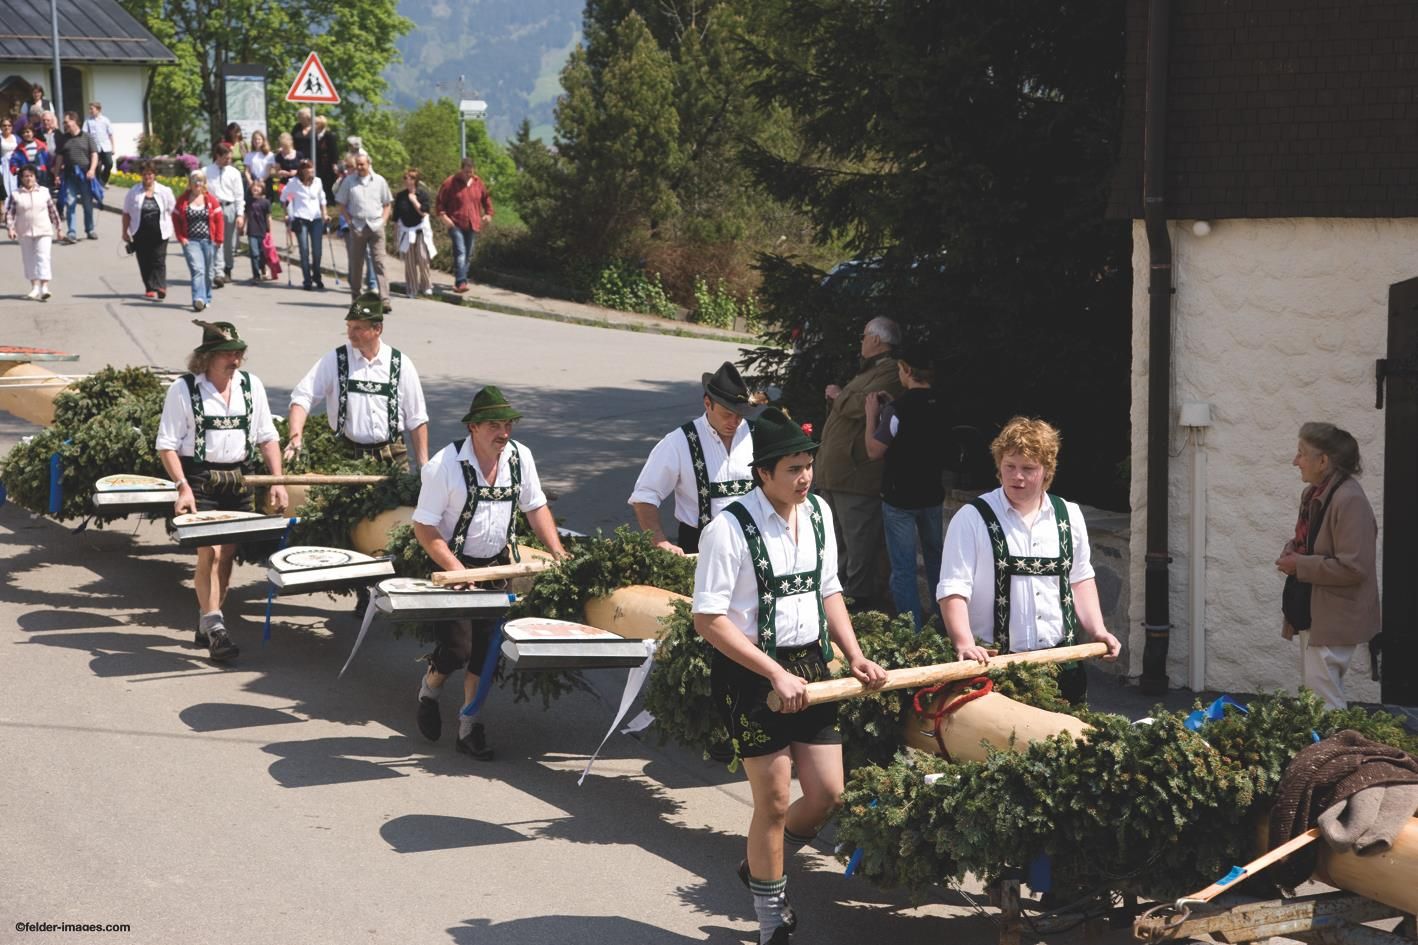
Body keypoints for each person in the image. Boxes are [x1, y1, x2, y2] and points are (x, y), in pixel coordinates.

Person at [693, 407, 887, 945]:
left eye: (808, 466)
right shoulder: (726, 530)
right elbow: (708, 620)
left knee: (826, 793)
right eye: (793, 469)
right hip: (751, 672)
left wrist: (854, 655)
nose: (804, 478)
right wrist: (774, 672)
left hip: (810, 666)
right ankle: (771, 915)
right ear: (763, 474)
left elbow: (830, 591)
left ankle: (761, 862)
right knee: (774, 801)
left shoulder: (819, 512)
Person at [411, 386, 568, 760]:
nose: (504, 433)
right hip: (452, 567)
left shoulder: (519, 457)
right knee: (457, 649)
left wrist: (557, 552)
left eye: (508, 424)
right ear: (474, 428)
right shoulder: (444, 466)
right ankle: (430, 689)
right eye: (495, 425)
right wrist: (456, 568)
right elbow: (424, 529)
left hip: (498, 566)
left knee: (486, 652)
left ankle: (469, 726)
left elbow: (536, 507)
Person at [935, 417, 1121, 704]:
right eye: (1010, 466)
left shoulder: (1069, 516)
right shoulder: (972, 518)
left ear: (1046, 471)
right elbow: (953, 589)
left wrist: (1098, 631)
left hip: (1063, 663)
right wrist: (964, 644)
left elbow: (1080, 579)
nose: (1016, 476)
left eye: (1028, 468)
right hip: (995, 667)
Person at [155, 320, 288, 663]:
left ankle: (206, 620)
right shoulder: (183, 390)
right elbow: (167, 446)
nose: (235, 360)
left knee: (227, 553)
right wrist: (182, 486)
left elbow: (267, 437)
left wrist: (278, 481)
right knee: (209, 551)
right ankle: (216, 628)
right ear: (207, 357)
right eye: (227, 354)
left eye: (238, 353)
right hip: (200, 479)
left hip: (239, 478)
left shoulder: (250, 386)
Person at [1276, 422, 1380, 710]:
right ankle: (1328, 753)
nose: (1295, 461)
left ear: (1323, 461)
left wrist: (1300, 565)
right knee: (1318, 698)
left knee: (1325, 704)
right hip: (1318, 611)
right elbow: (1315, 545)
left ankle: (1337, 755)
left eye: (1301, 453)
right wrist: (1293, 551)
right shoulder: (1317, 494)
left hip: (1333, 615)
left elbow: (1354, 567)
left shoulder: (1349, 500)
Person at [814, 316, 904, 611]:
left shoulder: (890, 370)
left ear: (877, 340)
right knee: (837, 547)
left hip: (857, 477)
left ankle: (860, 611)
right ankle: (837, 605)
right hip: (838, 475)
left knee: (858, 548)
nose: (861, 341)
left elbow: (863, 405)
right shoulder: (869, 371)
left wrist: (838, 395)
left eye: (865, 336)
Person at [285, 291, 431, 468]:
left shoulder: (400, 364)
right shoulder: (336, 360)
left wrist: (424, 466)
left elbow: (417, 418)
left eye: (357, 328)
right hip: (347, 456)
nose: (350, 334)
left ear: (377, 329)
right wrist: (295, 438)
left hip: (393, 455)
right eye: (349, 326)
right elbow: (302, 398)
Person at [629, 361, 758, 554]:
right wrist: (659, 541)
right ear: (708, 403)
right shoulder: (678, 442)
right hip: (700, 546)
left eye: (739, 415)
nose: (734, 422)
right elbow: (645, 496)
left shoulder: (757, 435)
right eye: (727, 414)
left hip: (753, 544)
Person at [863, 347, 948, 627]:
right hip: (932, 494)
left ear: (907, 371)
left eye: (900, 369)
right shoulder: (942, 403)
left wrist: (872, 415)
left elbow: (875, 450)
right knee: (937, 560)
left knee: (903, 567)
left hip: (900, 498)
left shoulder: (898, 409)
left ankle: (911, 632)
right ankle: (943, 622)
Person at [334, 152, 392, 310]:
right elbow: (341, 203)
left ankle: (385, 299)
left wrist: (383, 221)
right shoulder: (349, 181)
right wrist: (349, 221)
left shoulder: (379, 181)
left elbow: (387, 203)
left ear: (369, 164)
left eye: (362, 164)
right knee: (356, 263)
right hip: (358, 226)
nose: (359, 167)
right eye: (357, 164)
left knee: (379, 262)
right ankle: (356, 297)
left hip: (376, 226)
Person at [435, 157, 494, 293]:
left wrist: (488, 214)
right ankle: (461, 282)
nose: (469, 175)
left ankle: (461, 281)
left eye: (471, 172)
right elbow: (439, 202)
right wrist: (444, 217)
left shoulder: (478, 183)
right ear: (461, 170)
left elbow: (487, 200)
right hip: (455, 223)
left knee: (468, 254)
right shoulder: (450, 183)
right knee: (460, 252)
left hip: (473, 223)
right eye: (466, 172)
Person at [121, 161, 176, 300]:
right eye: (145, 174)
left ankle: (161, 286)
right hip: (140, 231)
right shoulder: (133, 192)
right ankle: (149, 287)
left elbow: (172, 210)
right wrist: (124, 232)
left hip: (161, 231)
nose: (147, 177)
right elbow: (126, 213)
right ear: (141, 175)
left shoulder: (165, 191)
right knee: (144, 260)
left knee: (159, 259)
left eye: (150, 174)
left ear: (154, 175)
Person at [4, 164, 60, 300]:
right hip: (24, 231)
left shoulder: (44, 192)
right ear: (21, 179)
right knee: (29, 259)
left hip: (44, 230)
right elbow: (10, 213)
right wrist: (11, 228)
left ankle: (45, 286)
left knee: (43, 257)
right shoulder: (16, 194)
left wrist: (59, 228)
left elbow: (53, 211)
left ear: (35, 177)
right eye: (25, 176)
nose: (28, 179)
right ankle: (34, 287)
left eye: (31, 176)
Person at [173, 170, 223, 312]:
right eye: (194, 180)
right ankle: (198, 299)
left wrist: (219, 239)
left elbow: (219, 220)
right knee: (198, 270)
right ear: (190, 183)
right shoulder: (183, 199)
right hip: (191, 241)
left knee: (208, 272)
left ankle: (206, 297)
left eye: (200, 180)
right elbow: (175, 218)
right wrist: (180, 237)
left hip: (208, 240)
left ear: (204, 183)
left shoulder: (210, 200)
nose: (197, 183)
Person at [204, 143, 245, 288]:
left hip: (230, 207)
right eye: (226, 158)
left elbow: (239, 195)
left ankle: (228, 267)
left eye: (230, 158)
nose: (228, 161)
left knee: (229, 242)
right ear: (218, 156)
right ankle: (219, 273)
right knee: (216, 241)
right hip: (214, 209)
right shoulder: (206, 171)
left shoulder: (233, 172)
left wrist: (240, 214)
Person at [281, 160, 326, 290]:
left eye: (311, 168)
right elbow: (284, 198)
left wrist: (325, 214)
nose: (309, 170)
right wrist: (286, 214)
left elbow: (322, 199)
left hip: (316, 218)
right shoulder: (293, 183)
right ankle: (307, 279)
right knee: (304, 250)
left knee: (317, 251)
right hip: (300, 218)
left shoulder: (318, 181)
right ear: (301, 170)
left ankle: (316, 275)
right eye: (306, 168)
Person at [54, 112, 98, 243]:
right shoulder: (63, 139)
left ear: (74, 121)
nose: (65, 125)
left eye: (67, 122)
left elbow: (94, 155)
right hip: (69, 175)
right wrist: (56, 174)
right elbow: (59, 158)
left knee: (87, 203)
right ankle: (71, 232)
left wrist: (92, 170)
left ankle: (90, 229)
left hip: (85, 174)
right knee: (70, 202)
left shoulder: (87, 137)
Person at [393, 167, 434, 298]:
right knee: (409, 261)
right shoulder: (400, 196)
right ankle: (412, 287)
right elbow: (396, 218)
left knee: (423, 257)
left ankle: (426, 285)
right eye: (405, 178)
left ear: (416, 180)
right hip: (406, 229)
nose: (407, 180)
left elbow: (424, 212)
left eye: (410, 178)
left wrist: (414, 200)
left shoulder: (423, 195)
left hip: (420, 229)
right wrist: (395, 236)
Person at [8, 124, 54, 193]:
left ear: (33, 133)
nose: (25, 134)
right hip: (26, 175)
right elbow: (13, 160)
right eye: (23, 133)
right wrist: (16, 169)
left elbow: (48, 160)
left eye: (27, 132)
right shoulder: (19, 148)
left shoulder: (41, 145)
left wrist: (52, 170)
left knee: (41, 195)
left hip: (41, 174)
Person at [243, 178, 273, 283]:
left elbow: (269, 217)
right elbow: (246, 215)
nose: (256, 188)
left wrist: (269, 231)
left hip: (262, 231)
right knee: (254, 253)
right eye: (254, 186)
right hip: (251, 231)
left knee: (262, 254)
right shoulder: (248, 201)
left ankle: (263, 269)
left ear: (263, 189)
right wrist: (242, 226)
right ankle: (256, 275)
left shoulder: (266, 202)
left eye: (259, 187)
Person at [82, 102, 114, 187]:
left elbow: (110, 134)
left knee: (109, 163)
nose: (90, 111)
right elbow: (84, 134)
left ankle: (104, 180)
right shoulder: (88, 121)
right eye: (90, 109)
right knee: (96, 166)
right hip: (94, 147)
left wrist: (113, 147)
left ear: (98, 109)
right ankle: (98, 184)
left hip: (105, 146)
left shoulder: (105, 120)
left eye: (92, 109)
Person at [313, 115, 338, 201]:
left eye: (316, 123)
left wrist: (334, 163)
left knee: (328, 182)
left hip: (327, 163)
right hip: (318, 163)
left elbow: (334, 150)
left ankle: (330, 201)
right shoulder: (314, 135)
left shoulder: (329, 135)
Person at [243, 130, 276, 195]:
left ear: (263, 140)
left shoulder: (269, 154)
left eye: (259, 139)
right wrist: (250, 181)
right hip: (253, 182)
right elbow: (247, 171)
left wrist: (261, 180)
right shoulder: (248, 155)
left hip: (265, 182)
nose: (257, 141)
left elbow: (268, 171)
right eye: (255, 139)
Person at [0, 117, 18, 201]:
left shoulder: (16, 138)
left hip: (14, 164)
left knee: (15, 184)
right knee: (5, 185)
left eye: (9, 125)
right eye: (4, 125)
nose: (7, 127)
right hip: (3, 165)